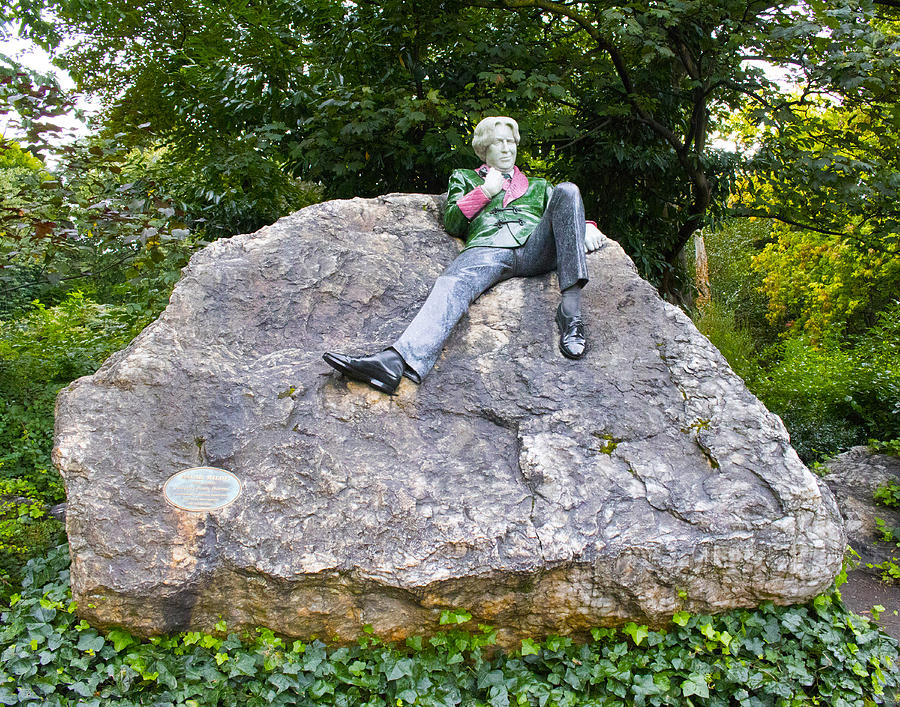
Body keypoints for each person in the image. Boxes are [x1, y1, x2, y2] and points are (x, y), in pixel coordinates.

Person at [323, 115, 604, 394]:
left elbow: (564, 210)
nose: (507, 148)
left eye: (510, 142)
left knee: (568, 189)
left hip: (536, 247)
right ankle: (395, 362)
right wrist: (484, 191)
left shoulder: (539, 185)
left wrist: (585, 227)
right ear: (484, 148)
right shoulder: (465, 178)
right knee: (450, 283)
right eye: (498, 143)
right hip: (488, 249)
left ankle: (570, 315)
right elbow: (453, 222)